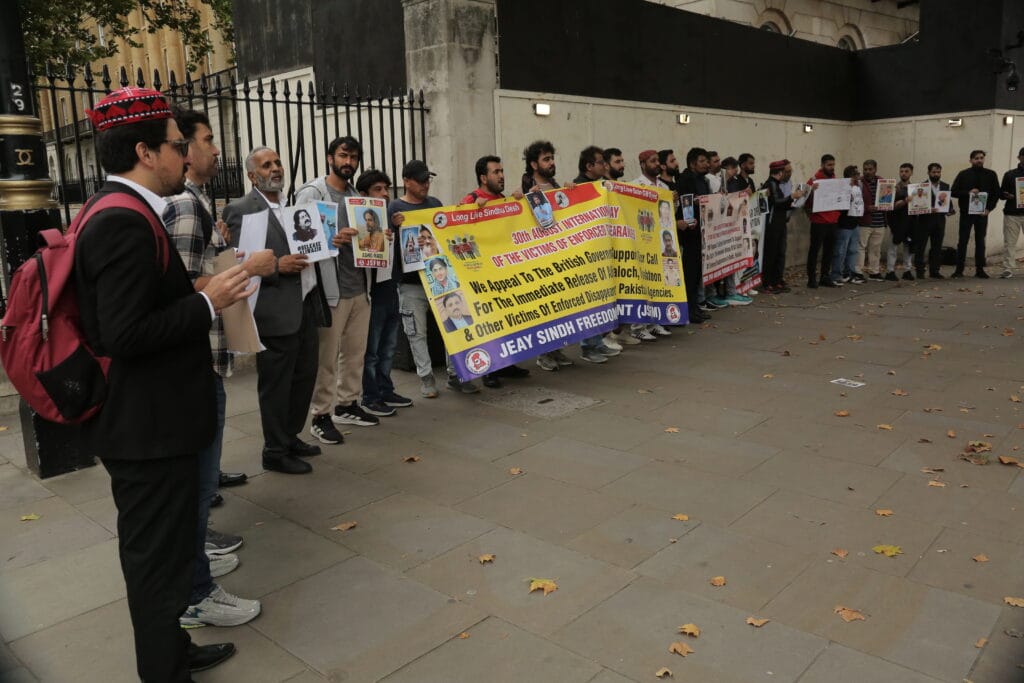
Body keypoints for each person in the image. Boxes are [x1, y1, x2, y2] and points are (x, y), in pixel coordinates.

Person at [77, 87, 252, 680]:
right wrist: (208, 303)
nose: (187, 156)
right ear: (146, 152)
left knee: (169, 553)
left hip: (154, 422)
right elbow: (124, 333)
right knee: (155, 560)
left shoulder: (122, 209)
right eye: (179, 145)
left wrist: (199, 296)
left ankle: (173, 649)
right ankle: (164, 669)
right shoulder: (122, 220)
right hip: (148, 429)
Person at [164, 107, 264, 629]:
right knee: (198, 483)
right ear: (183, 149)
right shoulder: (184, 205)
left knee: (202, 480)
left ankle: (197, 562)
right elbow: (181, 288)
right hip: (196, 359)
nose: (215, 149)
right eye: (206, 139)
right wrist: (249, 268)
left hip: (204, 358)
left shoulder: (197, 202)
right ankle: (196, 590)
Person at [224, 147, 326, 472]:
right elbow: (238, 262)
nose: (276, 168)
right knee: (276, 385)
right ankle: (275, 451)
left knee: (304, 377)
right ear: (252, 176)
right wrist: (278, 266)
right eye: (266, 165)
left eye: (277, 162)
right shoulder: (240, 209)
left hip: (306, 304)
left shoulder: (294, 206)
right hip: (274, 309)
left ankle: (290, 436)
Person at [291, 136, 382, 448]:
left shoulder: (357, 197)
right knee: (326, 358)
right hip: (329, 290)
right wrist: (330, 240)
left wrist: (380, 238)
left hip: (359, 287)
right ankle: (320, 415)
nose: (348, 162)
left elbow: (369, 240)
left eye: (353, 157)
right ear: (330, 157)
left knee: (355, 353)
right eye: (343, 155)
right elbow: (298, 239)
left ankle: (347, 404)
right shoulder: (312, 192)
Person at [460, 155, 533, 385]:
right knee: (489, 324)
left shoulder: (502, 200)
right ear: (483, 178)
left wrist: (520, 203)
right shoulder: (472, 199)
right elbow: (456, 229)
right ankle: (489, 371)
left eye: (502, 171)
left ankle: (507, 364)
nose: (501, 176)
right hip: (483, 276)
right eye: (496, 172)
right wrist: (473, 211)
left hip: (504, 273)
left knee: (507, 321)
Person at [355, 169, 413, 418]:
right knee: (372, 350)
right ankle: (370, 396)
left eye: (386, 189)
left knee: (388, 346)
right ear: (363, 194)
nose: (385, 194)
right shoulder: (360, 222)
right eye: (378, 189)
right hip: (373, 293)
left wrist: (394, 233)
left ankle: (385, 389)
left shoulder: (389, 220)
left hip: (391, 288)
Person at [389, 161, 448, 397]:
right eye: (421, 180)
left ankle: (456, 374)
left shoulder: (435, 204)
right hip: (411, 283)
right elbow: (384, 244)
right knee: (416, 334)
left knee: (452, 327)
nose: (426, 184)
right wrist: (394, 229)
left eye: (428, 179)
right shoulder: (395, 208)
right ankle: (426, 378)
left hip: (439, 278)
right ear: (406, 181)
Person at [632, 149, 677, 338]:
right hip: (644, 242)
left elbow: (668, 215)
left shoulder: (664, 186)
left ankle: (655, 322)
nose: (657, 164)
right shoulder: (635, 186)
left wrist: (673, 202)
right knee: (644, 284)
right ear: (643, 164)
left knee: (660, 283)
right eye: (652, 161)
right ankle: (638, 327)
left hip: (661, 241)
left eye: (658, 160)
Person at [950, 149, 1000, 278]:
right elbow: (953, 191)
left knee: (980, 241)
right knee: (962, 241)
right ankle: (959, 270)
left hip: (982, 214)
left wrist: (989, 209)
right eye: (976, 158)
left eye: (981, 158)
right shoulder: (963, 174)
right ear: (971, 160)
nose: (979, 160)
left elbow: (996, 194)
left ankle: (980, 270)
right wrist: (968, 193)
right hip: (966, 213)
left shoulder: (991, 174)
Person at [677, 147, 713, 321]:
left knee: (697, 272)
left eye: (707, 161)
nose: (706, 164)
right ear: (692, 164)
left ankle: (696, 307)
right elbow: (684, 202)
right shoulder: (685, 179)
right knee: (690, 273)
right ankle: (689, 310)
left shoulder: (704, 180)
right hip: (689, 232)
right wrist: (695, 202)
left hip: (702, 231)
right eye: (702, 161)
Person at [761, 160, 803, 293]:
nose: (788, 174)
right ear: (780, 172)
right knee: (771, 254)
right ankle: (767, 283)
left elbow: (782, 204)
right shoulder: (771, 184)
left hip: (780, 223)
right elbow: (776, 202)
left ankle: (777, 280)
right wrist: (792, 197)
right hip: (772, 225)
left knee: (780, 253)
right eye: (786, 171)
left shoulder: (777, 184)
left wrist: (795, 202)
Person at [806, 154, 840, 288]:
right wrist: (811, 191)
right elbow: (805, 199)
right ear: (822, 165)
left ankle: (825, 276)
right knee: (814, 251)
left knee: (829, 251)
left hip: (833, 221)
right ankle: (811, 278)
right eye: (829, 165)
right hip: (819, 221)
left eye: (833, 165)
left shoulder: (835, 180)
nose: (832, 167)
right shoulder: (814, 180)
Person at [915, 163, 952, 279]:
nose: (936, 174)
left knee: (937, 247)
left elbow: (948, 203)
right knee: (921, 247)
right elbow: (917, 205)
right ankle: (920, 271)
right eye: (934, 172)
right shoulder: (921, 186)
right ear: (928, 173)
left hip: (940, 221)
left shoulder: (945, 186)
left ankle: (935, 271)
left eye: (938, 172)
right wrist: (928, 209)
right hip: (925, 221)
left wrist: (950, 210)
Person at [830, 165, 861, 286]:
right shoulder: (842, 189)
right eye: (856, 174)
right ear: (850, 176)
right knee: (840, 251)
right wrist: (847, 199)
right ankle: (836, 274)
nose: (858, 177)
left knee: (853, 250)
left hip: (855, 222)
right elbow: (838, 206)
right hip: (844, 224)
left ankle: (849, 273)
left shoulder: (858, 188)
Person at [999, 147, 1024, 278]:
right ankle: (1008, 268)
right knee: (1010, 242)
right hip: (1012, 213)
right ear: (1019, 157)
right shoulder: (1010, 175)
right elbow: (1001, 193)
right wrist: (1007, 195)